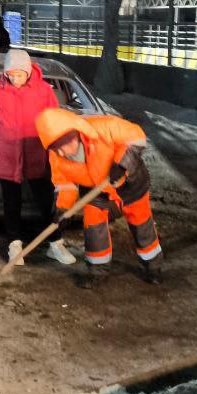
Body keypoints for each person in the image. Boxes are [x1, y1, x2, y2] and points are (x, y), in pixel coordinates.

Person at [35, 106, 162, 287]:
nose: (60, 153)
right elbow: (65, 184)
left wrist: (122, 163)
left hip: (130, 186)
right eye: (54, 149)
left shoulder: (103, 127)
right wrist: (63, 209)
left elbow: (137, 135)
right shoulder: (56, 156)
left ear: (72, 134)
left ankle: (153, 267)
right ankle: (97, 271)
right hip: (96, 192)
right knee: (93, 227)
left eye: (61, 146)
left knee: (141, 224)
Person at [0, 49, 76, 265]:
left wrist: (58, 152)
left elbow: (54, 121)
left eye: (18, 75)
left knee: (46, 201)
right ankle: (15, 245)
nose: (14, 79)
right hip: (7, 156)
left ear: (28, 72)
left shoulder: (42, 91)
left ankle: (55, 243)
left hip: (36, 155)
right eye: (10, 74)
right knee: (11, 202)